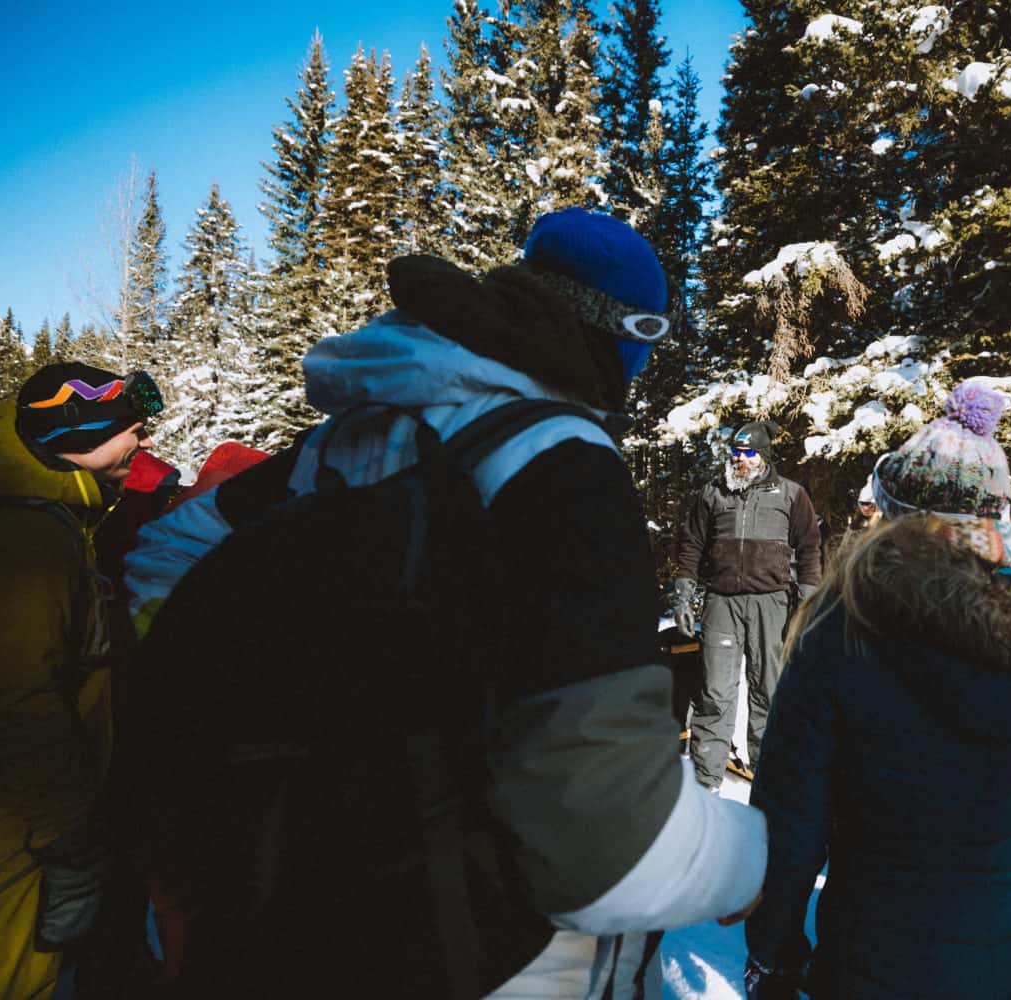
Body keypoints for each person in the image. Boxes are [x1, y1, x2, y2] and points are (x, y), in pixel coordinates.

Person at [124, 208, 766, 997]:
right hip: (491, 939)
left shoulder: (352, 436)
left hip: (307, 891)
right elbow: (604, 849)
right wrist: (747, 857)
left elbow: (166, 553)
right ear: (623, 334)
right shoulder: (561, 464)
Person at [741, 379, 1011, 998]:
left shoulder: (843, 632)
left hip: (873, 961)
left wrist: (775, 955)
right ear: (998, 519)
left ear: (894, 521)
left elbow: (791, 826)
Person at [0, 362, 163, 999]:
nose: (142, 445)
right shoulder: (23, 534)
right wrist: (68, 838)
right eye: (133, 431)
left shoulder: (42, 515)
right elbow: (13, 703)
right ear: (81, 433)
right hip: (13, 834)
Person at [672, 419, 822, 790]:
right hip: (721, 602)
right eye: (736, 452)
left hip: (771, 604)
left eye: (748, 452)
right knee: (715, 692)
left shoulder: (789, 494)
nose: (740, 459)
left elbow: (809, 548)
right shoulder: (713, 493)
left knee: (768, 690)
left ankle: (769, 775)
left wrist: (807, 596)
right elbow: (691, 544)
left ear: (763, 456)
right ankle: (707, 780)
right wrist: (683, 591)